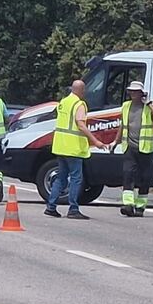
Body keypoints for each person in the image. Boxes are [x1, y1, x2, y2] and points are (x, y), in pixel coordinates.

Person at [44, 80, 107, 220]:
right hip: (73, 148)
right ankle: (73, 208)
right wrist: (95, 141)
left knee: (61, 178)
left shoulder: (63, 102)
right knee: (76, 179)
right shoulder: (79, 104)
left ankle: (51, 206)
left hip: (60, 146)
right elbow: (81, 125)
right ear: (81, 90)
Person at [112, 81, 153, 218]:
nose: (133, 93)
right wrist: (115, 142)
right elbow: (123, 125)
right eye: (131, 91)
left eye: (136, 91)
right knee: (128, 175)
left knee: (145, 178)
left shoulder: (148, 107)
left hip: (145, 148)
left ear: (141, 93)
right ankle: (128, 205)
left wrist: (150, 104)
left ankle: (140, 206)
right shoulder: (125, 106)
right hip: (129, 147)